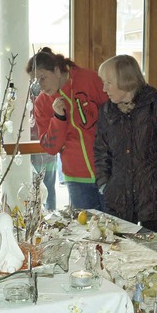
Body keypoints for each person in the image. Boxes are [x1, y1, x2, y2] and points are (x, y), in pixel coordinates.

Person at [94, 55, 157, 234]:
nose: (104, 88)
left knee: (154, 255)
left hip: (153, 198)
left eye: (108, 82)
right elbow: (101, 151)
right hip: (118, 199)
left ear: (125, 80)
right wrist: (104, 185)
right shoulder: (106, 111)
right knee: (120, 253)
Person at [26, 47, 108, 210]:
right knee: (86, 231)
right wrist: (59, 118)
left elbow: (115, 117)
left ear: (56, 70)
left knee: (116, 229)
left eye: (43, 78)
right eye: (35, 82)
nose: (41, 86)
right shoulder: (42, 103)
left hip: (108, 172)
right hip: (76, 178)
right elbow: (50, 147)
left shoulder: (89, 79)